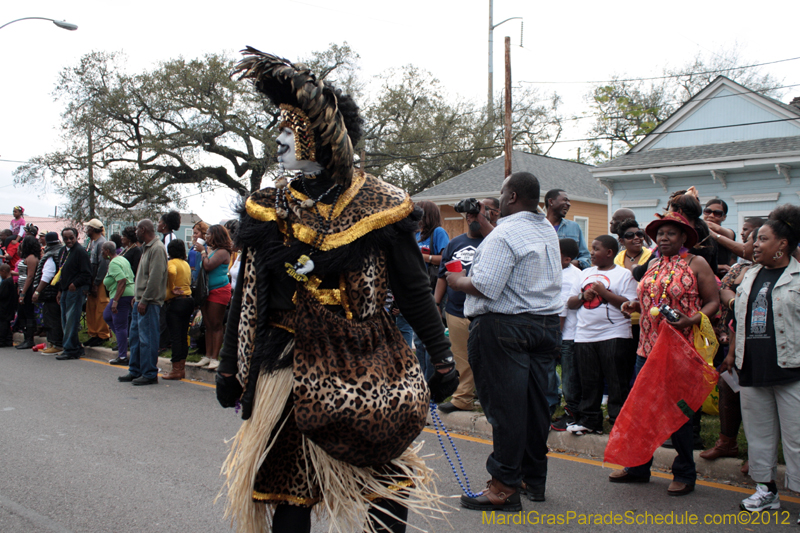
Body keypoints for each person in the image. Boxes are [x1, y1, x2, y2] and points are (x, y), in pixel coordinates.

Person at [216, 49, 457, 533]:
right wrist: (230, 366)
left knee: (385, 487)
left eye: (286, 132)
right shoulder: (268, 208)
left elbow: (413, 291)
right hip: (289, 365)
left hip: (370, 362)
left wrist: (443, 356)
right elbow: (248, 296)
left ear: (316, 135)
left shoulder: (381, 204)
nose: (277, 142)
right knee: (291, 492)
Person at [448, 171, 562, 509]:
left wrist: (457, 280)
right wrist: (481, 220)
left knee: (506, 410)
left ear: (511, 196)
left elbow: (486, 286)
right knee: (536, 409)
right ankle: (532, 479)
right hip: (544, 327)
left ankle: (503, 487)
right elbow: (509, 243)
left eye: (501, 193)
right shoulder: (545, 230)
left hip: (504, 328)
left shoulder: (504, 235)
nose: (498, 199)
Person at [610, 211, 719, 496]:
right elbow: (648, 299)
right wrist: (634, 306)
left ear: (684, 237)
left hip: (679, 351)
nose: (664, 238)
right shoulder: (654, 263)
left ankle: (684, 471)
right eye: (660, 234)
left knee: (678, 413)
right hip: (646, 348)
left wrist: (691, 320)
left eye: (671, 233)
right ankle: (636, 466)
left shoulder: (697, 263)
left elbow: (713, 303)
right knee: (641, 409)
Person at [720, 204, 800, 515]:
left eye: (762, 239)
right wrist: (732, 355)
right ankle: (766, 492)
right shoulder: (749, 276)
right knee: (760, 436)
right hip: (751, 369)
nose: (755, 245)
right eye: (755, 240)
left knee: (796, 439)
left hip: (790, 369)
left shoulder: (797, 277)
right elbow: (740, 318)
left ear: (782, 244)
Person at [566, 235, 637, 436]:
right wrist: (582, 296)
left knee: (617, 381)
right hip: (584, 335)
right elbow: (570, 303)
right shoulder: (584, 273)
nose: (592, 253)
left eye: (596, 249)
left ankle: (618, 423)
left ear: (609, 253)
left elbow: (629, 305)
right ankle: (590, 420)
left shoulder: (624, 275)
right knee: (589, 381)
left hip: (614, 334)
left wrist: (604, 293)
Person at [434, 200, 491, 413]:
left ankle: (487, 400)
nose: (471, 218)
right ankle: (463, 399)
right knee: (461, 358)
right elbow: (442, 276)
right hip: (456, 310)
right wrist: (436, 303)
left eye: (476, 215)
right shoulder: (454, 243)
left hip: (483, 312)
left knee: (487, 358)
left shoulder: (494, 241)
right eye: (469, 215)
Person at [117, 219, 167, 386]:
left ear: (144, 229)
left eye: (137, 228)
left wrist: (144, 299)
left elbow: (155, 277)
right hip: (140, 299)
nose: (135, 231)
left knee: (148, 339)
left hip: (149, 302)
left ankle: (149, 373)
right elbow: (143, 275)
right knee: (136, 338)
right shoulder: (146, 248)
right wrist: (137, 296)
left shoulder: (157, 248)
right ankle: (135, 370)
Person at [412, 200, 450, 380]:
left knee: (431, 340)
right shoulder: (416, 235)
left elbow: (446, 258)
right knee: (418, 341)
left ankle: (432, 382)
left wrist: (423, 257)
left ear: (428, 215)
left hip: (434, 291)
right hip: (418, 291)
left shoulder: (438, 233)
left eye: (420, 212)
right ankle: (420, 380)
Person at [551, 238, 583, 431]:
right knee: (549, 373)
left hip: (566, 334)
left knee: (569, 378)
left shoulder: (572, 276)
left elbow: (562, 309)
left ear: (566, 259)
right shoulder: (556, 271)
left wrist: (556, 336)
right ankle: (550, 406)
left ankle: (571, 412)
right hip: (554, 331)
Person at [191, 224, 231, 370]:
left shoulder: (223, 252)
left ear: (216, 235)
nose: (205, 236)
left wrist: (203, 252)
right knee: (207, 325)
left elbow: (208, 266)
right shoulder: (212, 250)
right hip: (207, 291)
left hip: (219, 291)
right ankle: (207, 355)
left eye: (208, 234)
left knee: (216, 324)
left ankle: (215, 357)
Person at [55, 228, 92, 360]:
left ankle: (70, 349)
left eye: (71, 238)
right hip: (65, 289)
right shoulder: (63, 251)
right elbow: (61, 272)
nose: (69, 241)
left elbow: (87, 273)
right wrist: (60, 290)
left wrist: (75, 284)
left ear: (76, 237)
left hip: (76, 290)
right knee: (65, 319)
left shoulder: (80, 252)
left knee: (71, 319)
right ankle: (75, 346)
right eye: (66, 238)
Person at [162, 239, 193, 380]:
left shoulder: (172, 263)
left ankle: (175, 369)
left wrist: (172, 285)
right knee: (182, 335)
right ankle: (182, 367)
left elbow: (171, 271)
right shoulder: (186, 264)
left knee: (175, 336)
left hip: (175, 303)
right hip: (188, 300)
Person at [101, 241, 135, 365]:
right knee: (107, 316)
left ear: (107, 251)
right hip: (126, 293)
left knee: (120, 326)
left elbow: (122, 281)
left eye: (102, 250)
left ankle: (122, 356)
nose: (101, 253)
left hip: (121, 296)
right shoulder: (122, 259)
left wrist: (115, 301)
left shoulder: (114, 263)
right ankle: (124, 339)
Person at [31, 232, 64, 354]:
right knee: (58, 318)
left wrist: (37, 292)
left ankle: (56, 344)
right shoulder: (61, 251)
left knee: (51, 319)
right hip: (59, 291)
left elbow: (47, 276)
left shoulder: (50, 255)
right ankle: (58, 342)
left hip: (51, 293)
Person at [544, 189, 590, 269]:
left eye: (569, 201)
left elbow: (586, 257)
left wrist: (576, 263)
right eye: (565, 200)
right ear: (551, 201)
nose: (568, 204)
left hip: (568, 278)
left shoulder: (574, 227)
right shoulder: (538, 226)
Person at [84, 218, 111, 347]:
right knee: (92, 307)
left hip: (100, 281)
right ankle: (93, 333)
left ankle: (102, 334)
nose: (86, 230)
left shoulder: (102, 243)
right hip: (93, 279)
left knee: (101, 307)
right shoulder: (93, 243)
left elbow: (103, 264)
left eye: (88, 228)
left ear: (93, 229)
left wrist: (97, 282)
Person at [14, 236, 41, 350]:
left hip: (28, 289)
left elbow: (30, 276)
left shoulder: (31, 258)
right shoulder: (26, 256)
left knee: (28, 314)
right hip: (22, 287)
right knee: (22, 314)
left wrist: (23, 293)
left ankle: (29, 339)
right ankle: (26, 338)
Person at [703, 199, 736, 277]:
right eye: (708, 211)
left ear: (724, 217)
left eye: (717, 213)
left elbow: (719, 229)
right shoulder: (697, 234)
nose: (711, 215)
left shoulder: (728, 233)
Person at [0, 263, 17, 347]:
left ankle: (2, 340)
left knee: (3, 324)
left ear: (4, 271)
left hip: (4, 307)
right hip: (9, 306)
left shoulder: (6, 282)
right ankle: (8, 340)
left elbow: (2, 294)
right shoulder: (11, 281)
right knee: (6, 324)